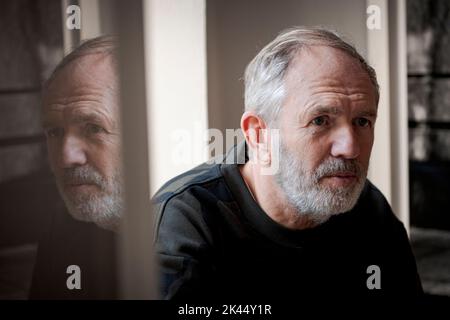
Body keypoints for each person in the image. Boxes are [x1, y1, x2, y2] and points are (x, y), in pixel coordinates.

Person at [154, 27, 423, 300]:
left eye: (362, 121)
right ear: (258, 134)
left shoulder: (369, 209)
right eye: (320, 120)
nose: (351, 147)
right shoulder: (188, 218)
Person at [29, 36, 122, 299]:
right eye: (55, 132)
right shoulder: (63, 223)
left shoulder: (205, 238)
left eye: (93, 128)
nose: (65, 157)